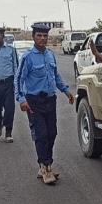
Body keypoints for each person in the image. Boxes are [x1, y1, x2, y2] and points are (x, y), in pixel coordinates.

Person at [15, 23, 74, 184]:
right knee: (41, 135)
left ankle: (44, 164)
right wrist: (21, 99)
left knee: (52, 133)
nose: (42, 39)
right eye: (39, 36)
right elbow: (18, 79)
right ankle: (46, 167)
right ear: (33, 37)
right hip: (34, 102)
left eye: (45, 36)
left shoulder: (50, 55)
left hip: (50, 100)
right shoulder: (27, 57)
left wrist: (67, 91)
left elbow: (56, 76)